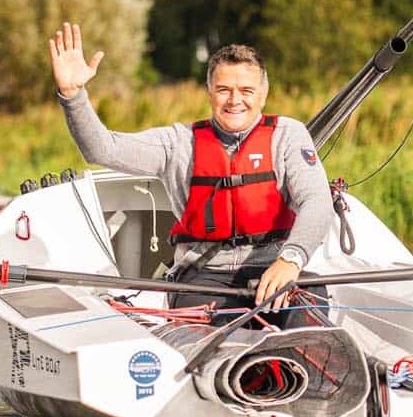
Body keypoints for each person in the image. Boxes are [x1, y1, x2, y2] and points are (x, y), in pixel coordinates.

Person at [49, 22, 331, 326]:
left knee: (310, 316)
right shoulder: (177, 143)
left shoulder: (289, 135)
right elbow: (103, 150)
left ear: (263, 95)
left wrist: (291, 260)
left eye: (246, 91)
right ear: (209, 93)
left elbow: (316, 201)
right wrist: (72, 93)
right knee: (210, 353)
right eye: (224, 90)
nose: (235, 100)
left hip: (276, 268)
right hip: (203, 280)